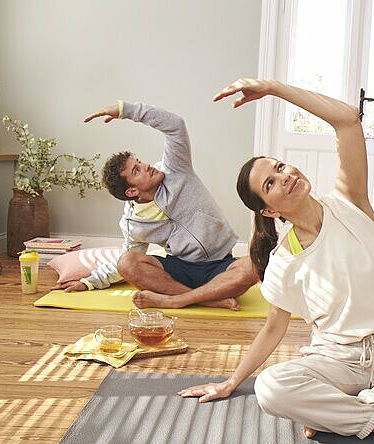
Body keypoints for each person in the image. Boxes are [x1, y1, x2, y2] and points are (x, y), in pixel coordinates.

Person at [177, 78, 374, 439]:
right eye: (270, 184)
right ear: (267, 210)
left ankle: (336, 413)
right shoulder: (281, 261)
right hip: (334, 360)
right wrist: (232, 381)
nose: (285, 176)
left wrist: (274, 89)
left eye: (279, 167)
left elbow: (346, 120)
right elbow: (274, 328)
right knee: (271, 388)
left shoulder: (350, 203)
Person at [52, 100, 258, 310]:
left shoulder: (175, 168)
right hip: (182, 269)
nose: (146, 166)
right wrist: (88, 282)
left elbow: (175, 125)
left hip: (220, 264)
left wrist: (125, 111)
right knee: (127, 263)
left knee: (254, 266)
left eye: (139, 162)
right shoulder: (133, 223)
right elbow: (125, 264)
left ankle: (178, 299)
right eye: (136, 170)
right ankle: (207, 299)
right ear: (131, 191)